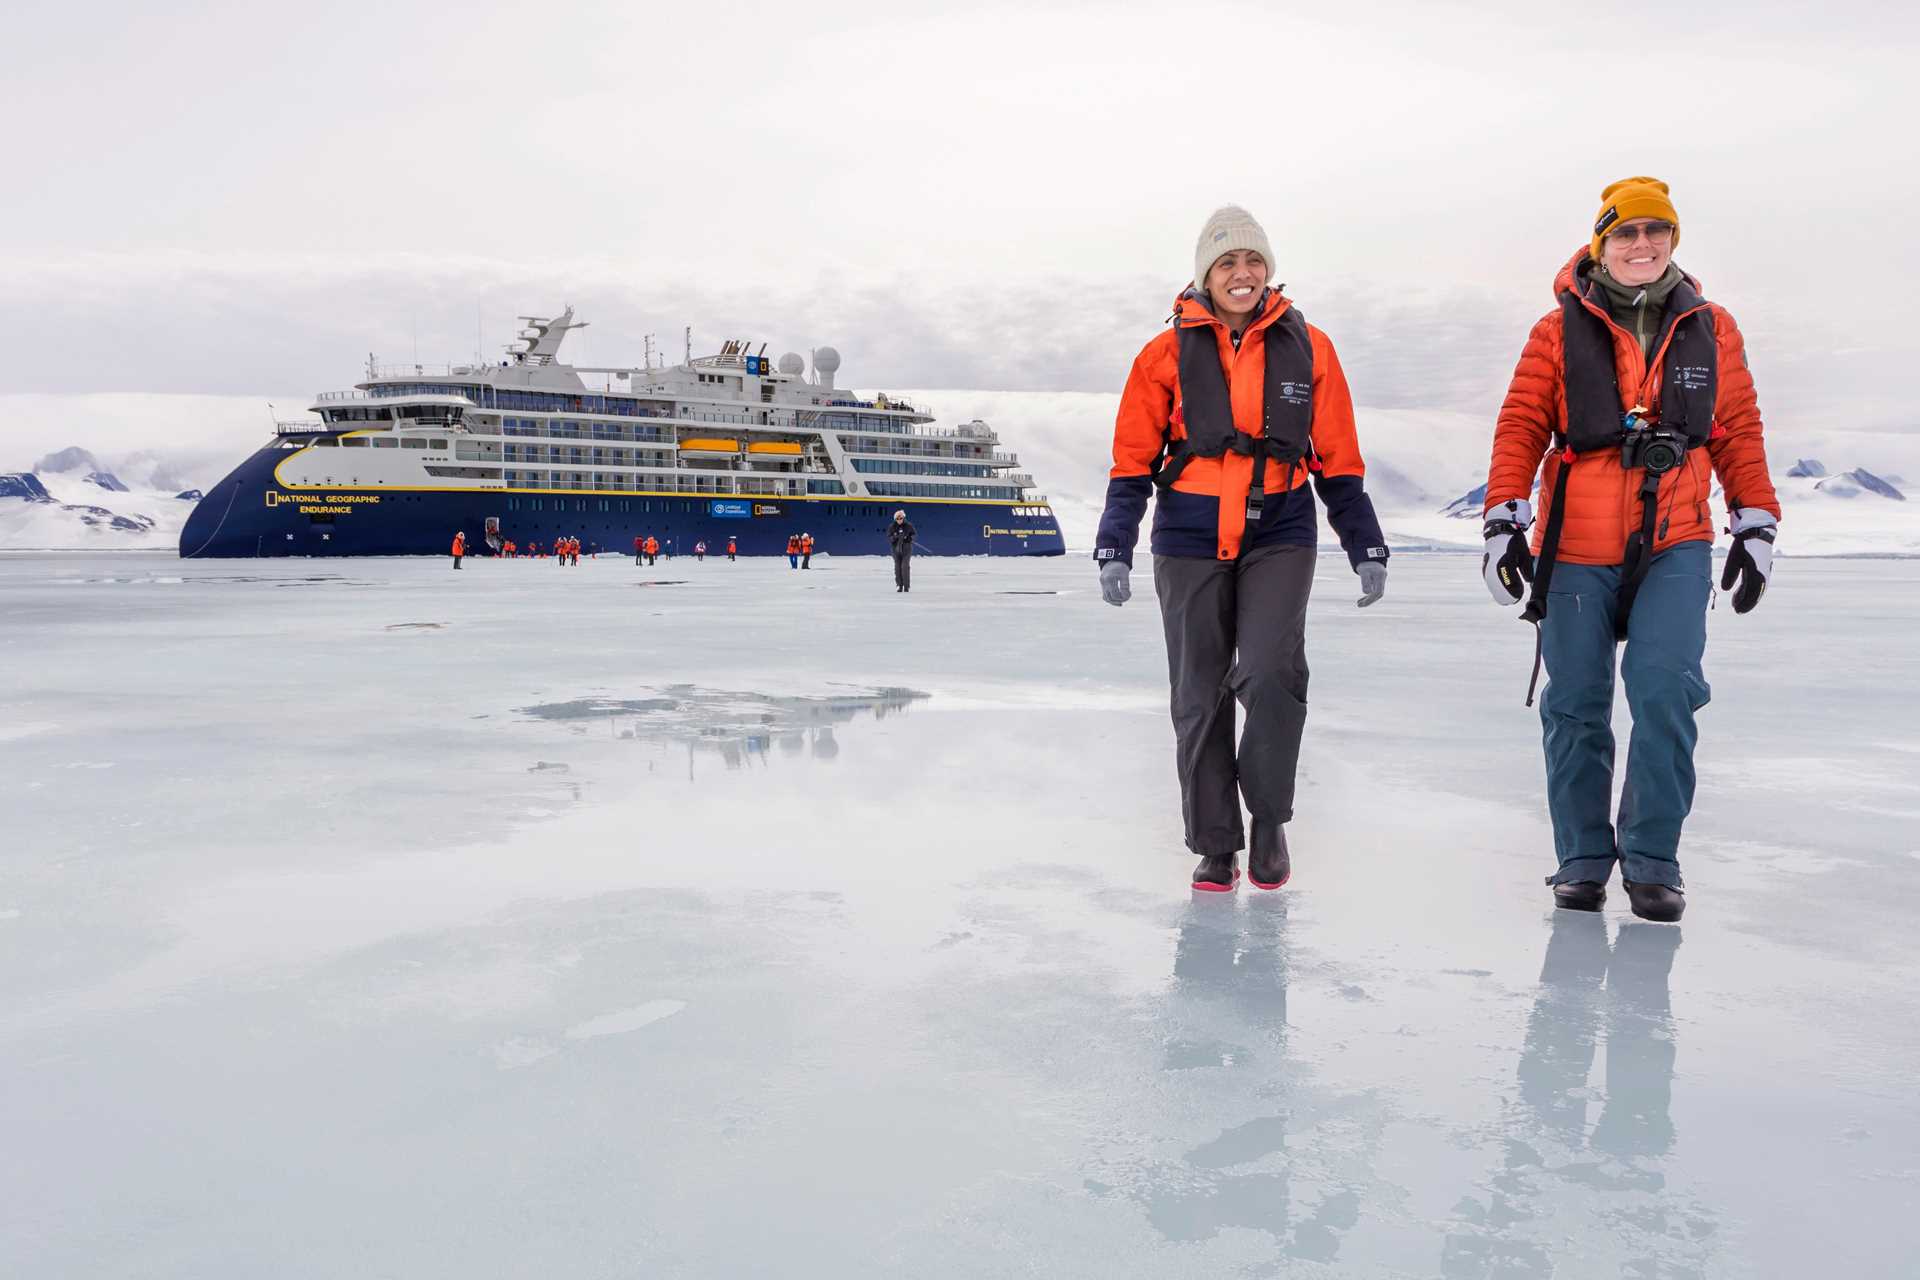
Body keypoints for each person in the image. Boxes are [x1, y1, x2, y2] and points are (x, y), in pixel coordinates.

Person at [1481, 177, 1780, 923]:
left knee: (1666, 688)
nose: (1641, 245)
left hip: (1676, 538)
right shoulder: (1555, 333)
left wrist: (1756, 521)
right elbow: (1521, 423)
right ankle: (1582, 859)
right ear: (1599, 243)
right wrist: (1502, 517)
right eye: (1625, 233)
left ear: (1672, 241)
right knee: (1578, 703)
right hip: (1576, 546)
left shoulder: (1713, 328)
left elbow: (1737, 428)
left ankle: (1652, 859)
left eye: (1656, 232)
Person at [1093, 205, 1391, 894]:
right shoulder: (1161, 356)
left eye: (1254, 261)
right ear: (1205, 272)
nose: (1243, 273)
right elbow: (1132, 461)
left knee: (1268, 672)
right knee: (1198, 692)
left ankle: (1268, 818)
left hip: (1281, 527)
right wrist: (1115, 542)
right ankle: (1215, 845)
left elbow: (1340, 460)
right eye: (1227, 262)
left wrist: (1365, 542)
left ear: (1269, 271)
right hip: (1189, 533)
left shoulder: (1310, 347)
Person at [887, 509, 915, 591]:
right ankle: (899, 585)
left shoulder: (908, 526)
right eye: (898, 518)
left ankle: (906, 586)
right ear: (895, 519)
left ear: (903, 518)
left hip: (906, 548)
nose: (900, 520)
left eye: (901, 518)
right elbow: (889, 537)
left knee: (904, 566)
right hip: (896, 549)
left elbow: (914, 535)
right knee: (897, 567)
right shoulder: (892, 527)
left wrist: (909, 538)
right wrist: (895, 537)